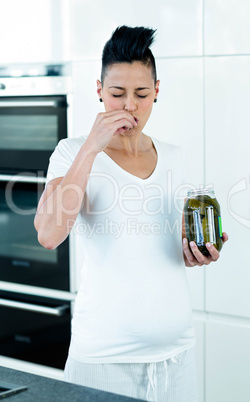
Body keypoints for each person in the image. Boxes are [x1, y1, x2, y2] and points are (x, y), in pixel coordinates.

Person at [34, 26, 228, 402]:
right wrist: (91, 147)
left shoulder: (175, 155)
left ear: (157, 91)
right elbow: (48, 234)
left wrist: (195, 253)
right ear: (98, 91)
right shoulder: (71, 151)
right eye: (117, 94)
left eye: (141, 94)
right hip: (103, 362)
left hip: (177, 357)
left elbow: (160, 249)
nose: (129, 107)